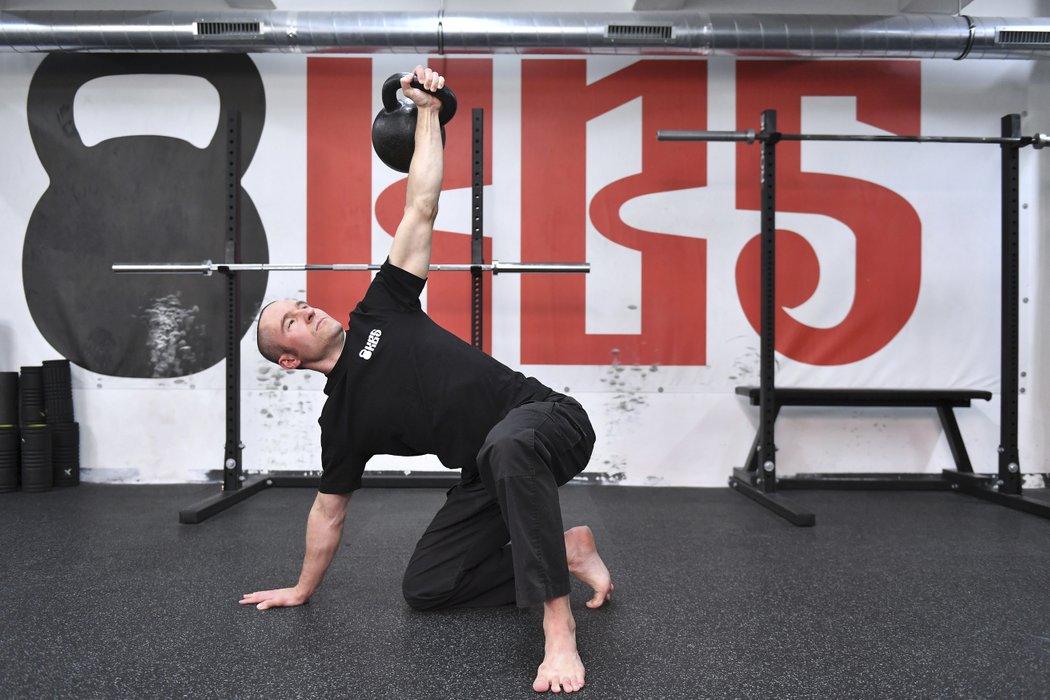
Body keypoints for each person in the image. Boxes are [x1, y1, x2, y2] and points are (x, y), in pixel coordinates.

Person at [240, 65, 613, 694]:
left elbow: (422, 203)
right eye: (291, 322)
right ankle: (566, 549)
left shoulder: (381, 307)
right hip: (492, 472)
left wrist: (429, 113)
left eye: (298, 303)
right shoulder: (343, 420)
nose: (305, 309)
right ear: (289, 361)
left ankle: (558, 630)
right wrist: (301, 590)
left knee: (506, 443)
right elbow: (328, 512)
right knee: (429, 587)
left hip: (549, 422)